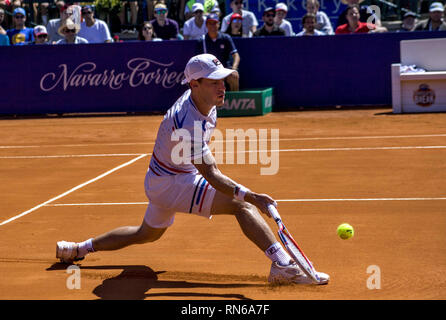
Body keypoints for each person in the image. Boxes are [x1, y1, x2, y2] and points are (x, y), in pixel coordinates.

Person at [55, 53, 330, 286]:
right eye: (214, 82)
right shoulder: (189, 123)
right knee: (241, 205)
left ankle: (79, 249)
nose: (222, 87)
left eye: (222, 80)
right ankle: (283, 265)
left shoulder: (203, 101)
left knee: (146, 234)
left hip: (164, 177)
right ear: (195, 84)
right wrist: (252, 196)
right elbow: (211, 174)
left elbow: (208, 167)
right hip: (172, 182)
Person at [196, 13, 240, 91]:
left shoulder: (225, 38)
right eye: (210, 23)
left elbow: (236, 56)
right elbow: (197, 60)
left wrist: (234, 69)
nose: (212, 26)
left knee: (233, 76)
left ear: (219, 24)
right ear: (206, 25)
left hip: (225, 69)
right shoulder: (201, 41)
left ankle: (234, 101)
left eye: (215, 23)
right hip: (209, 71)